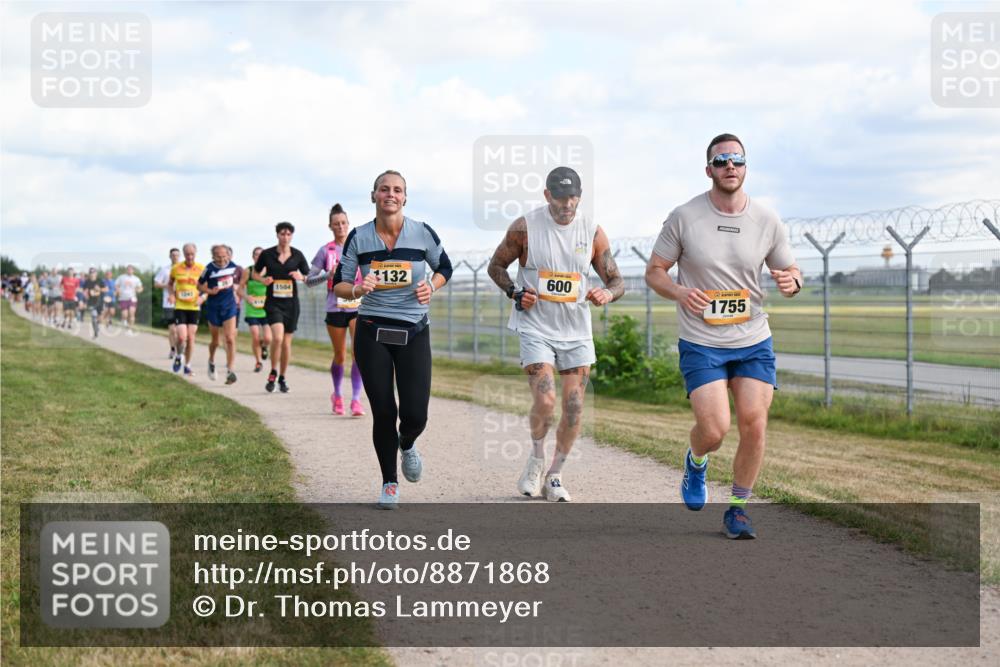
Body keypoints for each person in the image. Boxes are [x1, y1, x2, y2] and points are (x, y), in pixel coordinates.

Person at [644, 133, 801, 539]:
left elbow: (793, 270)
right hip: (702, 341)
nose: (730, 166)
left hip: (752, 338)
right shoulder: (684, 217)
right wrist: (680, 291)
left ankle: (739, 508)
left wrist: (791, 281)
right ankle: (696, 461)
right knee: (714, 430)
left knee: (755, 423)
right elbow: (655, 272)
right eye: (721, 161)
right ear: (709, 169)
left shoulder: (767, 220)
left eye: (737, 159)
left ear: (746, 167)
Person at [488, 166, 625, 503]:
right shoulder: (525, 228)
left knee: (575, 406)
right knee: (546, 401)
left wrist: (608, 293)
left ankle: (555, 474)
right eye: (561, 197)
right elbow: (496, 267)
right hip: (535, 326)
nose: (568, 203)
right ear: (547, 195)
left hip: (576, 331)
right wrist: (516, 293)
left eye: (574, 197)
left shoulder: (592, 232)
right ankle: (535, 460)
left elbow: (617, 281)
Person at [334, 169, 452, 509]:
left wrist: (432, 285)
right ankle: (389, 482)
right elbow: (340, 286)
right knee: (384, 410)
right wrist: (357, 288)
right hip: (372, 329)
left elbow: (445, 267)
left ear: (405, 197)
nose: (391, 194)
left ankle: (408, 442)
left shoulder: (422, 233)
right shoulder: (358, 237)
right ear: (373, 196)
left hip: (414, 329)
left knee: (416, 414)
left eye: (397, 190)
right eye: (384, 189)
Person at [307, 203, 365, 416]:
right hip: (334, 307)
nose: (340, 227)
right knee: (340, 355)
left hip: (357, 306)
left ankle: (356, 400)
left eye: (343, 223)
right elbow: (309, 280)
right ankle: (338, 394)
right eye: (336, 224)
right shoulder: (325, 251)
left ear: (348, 224)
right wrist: (327, 275)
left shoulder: (359, 247)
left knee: (358, 353)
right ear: (330, 226)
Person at [253, 222, 310, 393]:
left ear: (292, 236)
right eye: (282, 234)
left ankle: (282, 377)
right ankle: (273, 371)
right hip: (273, 303)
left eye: (288, 234)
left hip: (291, 304)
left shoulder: (297, 255)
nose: (285, 237)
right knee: (277, 338)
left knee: (286, 343)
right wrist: (263, 280)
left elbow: (308, 275)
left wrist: (301, 276)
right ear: (277, 235)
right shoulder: (267, 254)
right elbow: (255, 273)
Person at [198, 245, 240, 384]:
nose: (222, 260)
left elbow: (240, 281)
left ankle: (231, 370)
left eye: (224, 256)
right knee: (215, 341)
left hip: (229, 306)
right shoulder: (208, 269)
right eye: (218, 257)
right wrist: (210, 291)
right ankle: (211, 360)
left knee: (229, 338)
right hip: (213, 307)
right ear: (213, 256)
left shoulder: (233, 266)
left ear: (228, 255)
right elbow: (199, 285)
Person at [169, 243, 205, 376]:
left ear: (195, 253)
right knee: (181, 337)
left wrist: (203, 297)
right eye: (187, 254)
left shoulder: (202, 268)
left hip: (195, 307)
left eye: (192, 254)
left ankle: (188, 365)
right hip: (180, 306)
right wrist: (172, 295)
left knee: (190, 337)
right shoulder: (176, 268)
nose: (190, 256)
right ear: (184, 254)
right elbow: (170, 284)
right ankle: (179, 356)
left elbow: (208, 286)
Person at [239, 247, 271, 373]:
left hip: (266, 308)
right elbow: (239, 289)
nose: (259, 257)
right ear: (253, 257)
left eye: (261, 255)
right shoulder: (249, 271)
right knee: (255, 335)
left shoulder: (270, 270)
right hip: (252, 309)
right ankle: (258, 362)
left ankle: (264, 347)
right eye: (256, 255)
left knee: (268, 338)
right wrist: (247, 297)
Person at [154, 248, 181, 359]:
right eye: (173, 255)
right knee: (172, 329)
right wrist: (167, 285)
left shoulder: (183, 269)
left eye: (177, 255)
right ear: (170, 256)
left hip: (182, 303)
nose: (175, 257)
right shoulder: (164, 270)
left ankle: (180, 351)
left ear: (179, 256)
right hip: (168, 302)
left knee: (181, 330)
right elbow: (156, 284)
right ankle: (173, 349)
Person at [115, 265, 143, 335]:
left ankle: (130, 329)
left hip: (132, 298)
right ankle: (124, 320)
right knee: (125, 314)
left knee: (132, 313)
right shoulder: (121, 277)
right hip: (123, 298)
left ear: (133, 271)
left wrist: (139, 290)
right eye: (128, 269)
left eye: (131, 269)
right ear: (126, 270)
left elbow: (140, 287)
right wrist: (118, 290)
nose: (130, 271)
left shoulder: (136, 279)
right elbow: (116, 285)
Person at [82, 268, 106, 339]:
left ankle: (97, 326)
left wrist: (99, 289)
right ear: (89, 274)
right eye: (90, 273)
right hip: (91, 302)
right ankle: (95, 333)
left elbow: (105, 289)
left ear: (96, 273)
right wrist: (85, 296)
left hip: (100, 301)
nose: (92, 274)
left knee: (100, 318)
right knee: (93, 317)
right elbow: (84, 290)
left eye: (93, 273)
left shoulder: (100, 280)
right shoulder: (87, 281)